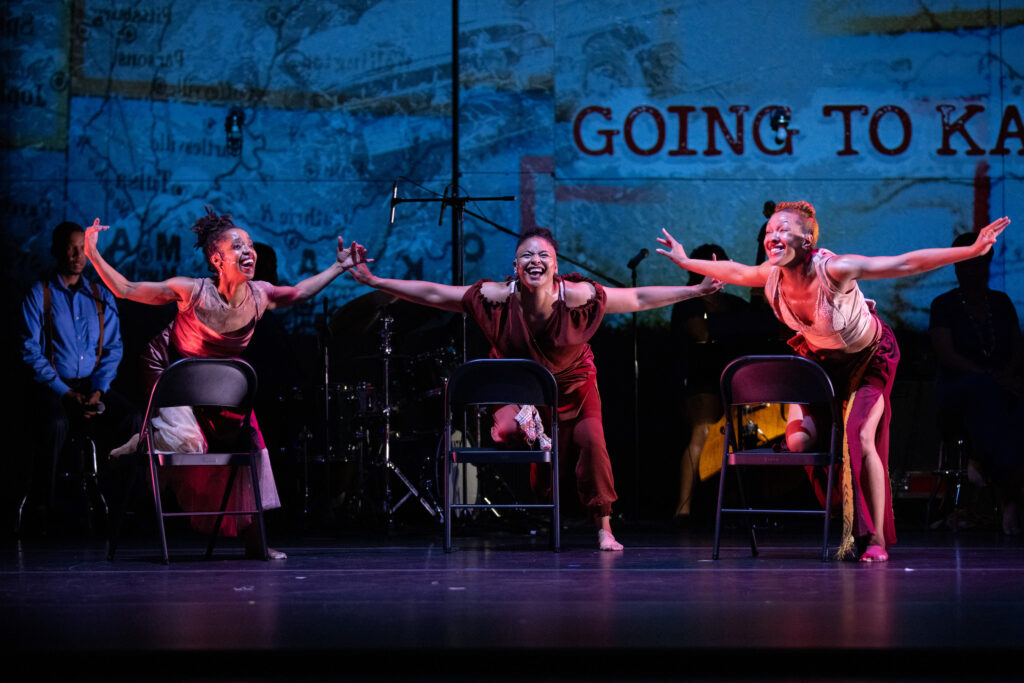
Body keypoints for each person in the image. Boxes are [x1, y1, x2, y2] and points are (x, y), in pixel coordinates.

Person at [656, 201, 1011, 562]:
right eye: (768, 232)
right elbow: (735, 270)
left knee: (859, 435)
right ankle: (842, 506)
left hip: (869, 360)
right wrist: (685, 262)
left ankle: (874, 538)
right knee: (798, 443)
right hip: (820, 364)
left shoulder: (835, 268)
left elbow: (903, 263)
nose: (772, 237)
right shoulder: (771, 274)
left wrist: (970, 250)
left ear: (808, 240)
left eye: (782, 230)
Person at [350, 227, 722, 551]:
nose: (535, 260)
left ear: (556, 266)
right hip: (518, 389)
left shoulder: (578, 297)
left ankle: (604, 529)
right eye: (526, 255)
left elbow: (639, 299)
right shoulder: (494, 298)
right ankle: (538, 442)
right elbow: (433, 293)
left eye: (544, 255)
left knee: (593, 443)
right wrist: (375, 281)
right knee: (511, 430)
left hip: (574, 385)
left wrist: (696, 291)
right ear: (515, 267)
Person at [85, 207, 366, 559]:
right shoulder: (191, 292)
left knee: (250, 441)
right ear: (217, 259)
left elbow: (299, 292)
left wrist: (339, 266)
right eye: (238, 246)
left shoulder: (259, 296)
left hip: (217, 383)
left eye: (250, 245)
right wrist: (92, 252)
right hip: (171, 367)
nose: (248, 251)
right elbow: (127, 288)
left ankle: (254, 540)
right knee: (187, 442)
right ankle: (147, 436)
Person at [18, 221, 141, 532]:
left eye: (81, 248)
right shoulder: (39, 293)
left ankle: (119, 502)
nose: (76, 255)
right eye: (70, 248)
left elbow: (113, 347)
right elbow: (29, 350)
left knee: (131, 417)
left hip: (93, 386)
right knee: (55, 423)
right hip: (53, 387)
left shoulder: (101, 294)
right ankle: (42, 506)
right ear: (57, 251)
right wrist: (64, 392)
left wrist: (99, 390)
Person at [929, 233, 1024, 535]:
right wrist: (988, 376)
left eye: (977, 263)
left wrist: (1006, 374)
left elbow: (1017, 348)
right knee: (984, 394)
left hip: (1001, 385)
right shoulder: (944, 305)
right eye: (964, 263)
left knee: (1010, 404)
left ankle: (983, 461)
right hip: (960, 390)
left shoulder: (1000, 302)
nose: (970, 269)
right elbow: (947, 354)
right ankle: (1008, 497)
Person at [669, 244, 759, 523]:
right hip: (702, 378)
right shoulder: (688, 303)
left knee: (751, 434)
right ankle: (683, 508)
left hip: (736, 380)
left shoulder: (735, 304)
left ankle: (738, 503)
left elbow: (762, 328)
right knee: (703, 431)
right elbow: (701, 335)